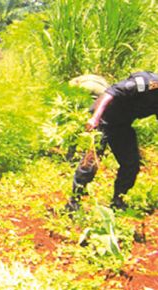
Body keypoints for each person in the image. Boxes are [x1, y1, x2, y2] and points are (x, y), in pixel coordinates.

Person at [67, 71, 158, 211]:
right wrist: (95, 118)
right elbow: (110, 93)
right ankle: (73, 202)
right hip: (103, 118)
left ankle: (118, 201)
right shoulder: (146, 84)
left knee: (131, 164)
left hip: (122, 125)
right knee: (91, 162)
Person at [65, 75, 110, 212]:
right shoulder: (95, 79)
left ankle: (73, 155)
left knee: (80, 125)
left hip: (96, 95)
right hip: (105, 96)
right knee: (98, 130)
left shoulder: (77, 85)